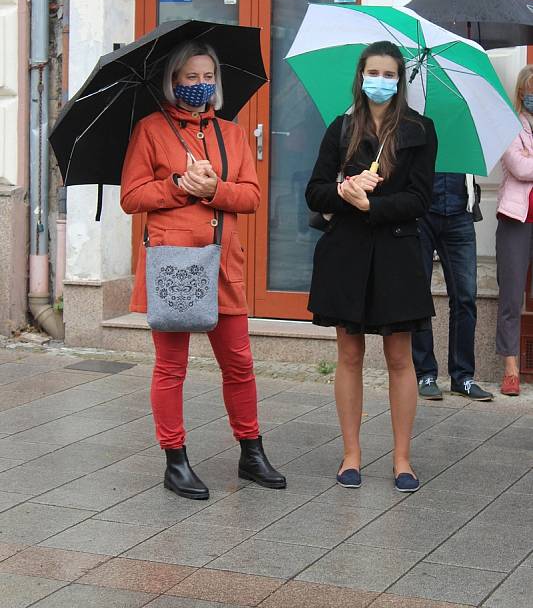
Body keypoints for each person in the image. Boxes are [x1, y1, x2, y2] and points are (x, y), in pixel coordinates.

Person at [120, 40, 286, 500]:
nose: (200, 85)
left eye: (207, 77)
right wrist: (177, 185)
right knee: (171, 367)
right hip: (174, 262)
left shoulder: (232, 133)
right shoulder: (151, 129)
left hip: (222, 264)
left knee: (239, 363)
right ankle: (176, 461)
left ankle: (251, 452)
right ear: (173, 82)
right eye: (190, 78)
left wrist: (214, 188)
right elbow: (131, 197)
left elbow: (250, 197)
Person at [306, 40, 437, 493]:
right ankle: (351, 454)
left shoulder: (420, 130)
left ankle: (402, 458)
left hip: (397, 255)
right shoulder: (340, 128)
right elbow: (314, 191)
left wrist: (370, 204)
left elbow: (420, 200)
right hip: (346, 254)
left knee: (400, 358)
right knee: (349, 354)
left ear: (399, 80)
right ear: (360, 76)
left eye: (388, 74)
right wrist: (344, 192)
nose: (379, 81)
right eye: (372, 72)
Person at [411, 171, 494, 402]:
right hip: (421, 212)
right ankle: (425, 374)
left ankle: (462, 376)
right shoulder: (416, 132)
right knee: (419, 296)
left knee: (465, 297)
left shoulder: (465, 134)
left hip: (460, 211)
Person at [494, 64, 533, 397]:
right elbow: (519, 168)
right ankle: (510, 367)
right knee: (510, 296)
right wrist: (525, 158)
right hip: (516, 221)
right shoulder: (509, 126)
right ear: (522, 92)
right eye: (532, 88)